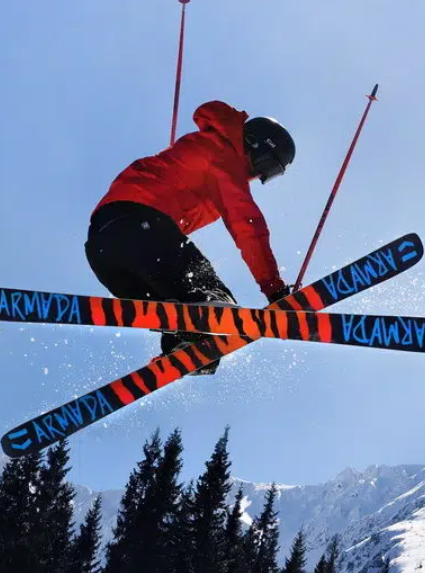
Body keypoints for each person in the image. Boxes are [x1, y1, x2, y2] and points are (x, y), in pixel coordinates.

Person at [85, 100, 296, 375]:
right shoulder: (225, 154)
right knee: (205, 291)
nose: (259, 176)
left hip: (103, 250)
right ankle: (206, 319)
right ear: (258, 147)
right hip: (137, 224)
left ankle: (184, 343)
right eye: (268, 168)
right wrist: (275, 289)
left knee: (178, 310)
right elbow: (247, 225)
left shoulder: (204, 146)